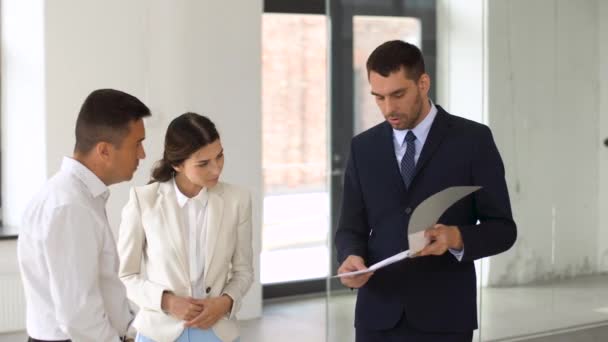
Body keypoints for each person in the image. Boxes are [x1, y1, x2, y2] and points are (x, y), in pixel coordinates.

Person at [335, 40, 517, 341]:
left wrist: (456, 237)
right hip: (377, 316)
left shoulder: (473, 141)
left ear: (423, 83)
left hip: (445, 317)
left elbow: (503, 229)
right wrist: (351, 256)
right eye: (378, 97)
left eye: (398, 94)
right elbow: (349, 228)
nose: (388, 108)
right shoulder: (363, 147)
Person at [18, 89, 151, 341]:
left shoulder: (74, 196)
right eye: (137, 144)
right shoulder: (70, 207)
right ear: (104, 151)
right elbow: (78, 317)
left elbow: (99, 288)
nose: (142, 154)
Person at [117, 112, 253, 342]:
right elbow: (126, 275)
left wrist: (224, 303)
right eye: (203, 163)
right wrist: (167, 302)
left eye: (219, 156)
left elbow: (243, 271)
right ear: (177, 164)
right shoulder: (143, 201)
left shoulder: (237, 200)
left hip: (217, 332)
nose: (216, 169)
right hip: (158, 333)